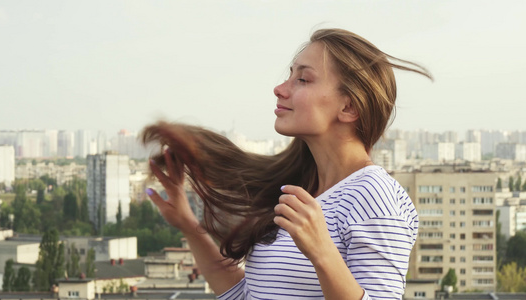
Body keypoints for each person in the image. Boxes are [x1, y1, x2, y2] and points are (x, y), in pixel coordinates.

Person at [143, 28, 431, 300]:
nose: (280, 89)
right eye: (289, 75)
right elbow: (246, 295)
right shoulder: (301, 189)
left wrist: (322, 253)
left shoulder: (374, 197)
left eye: (302, 79)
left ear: (349, 107)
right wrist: (186, 223)